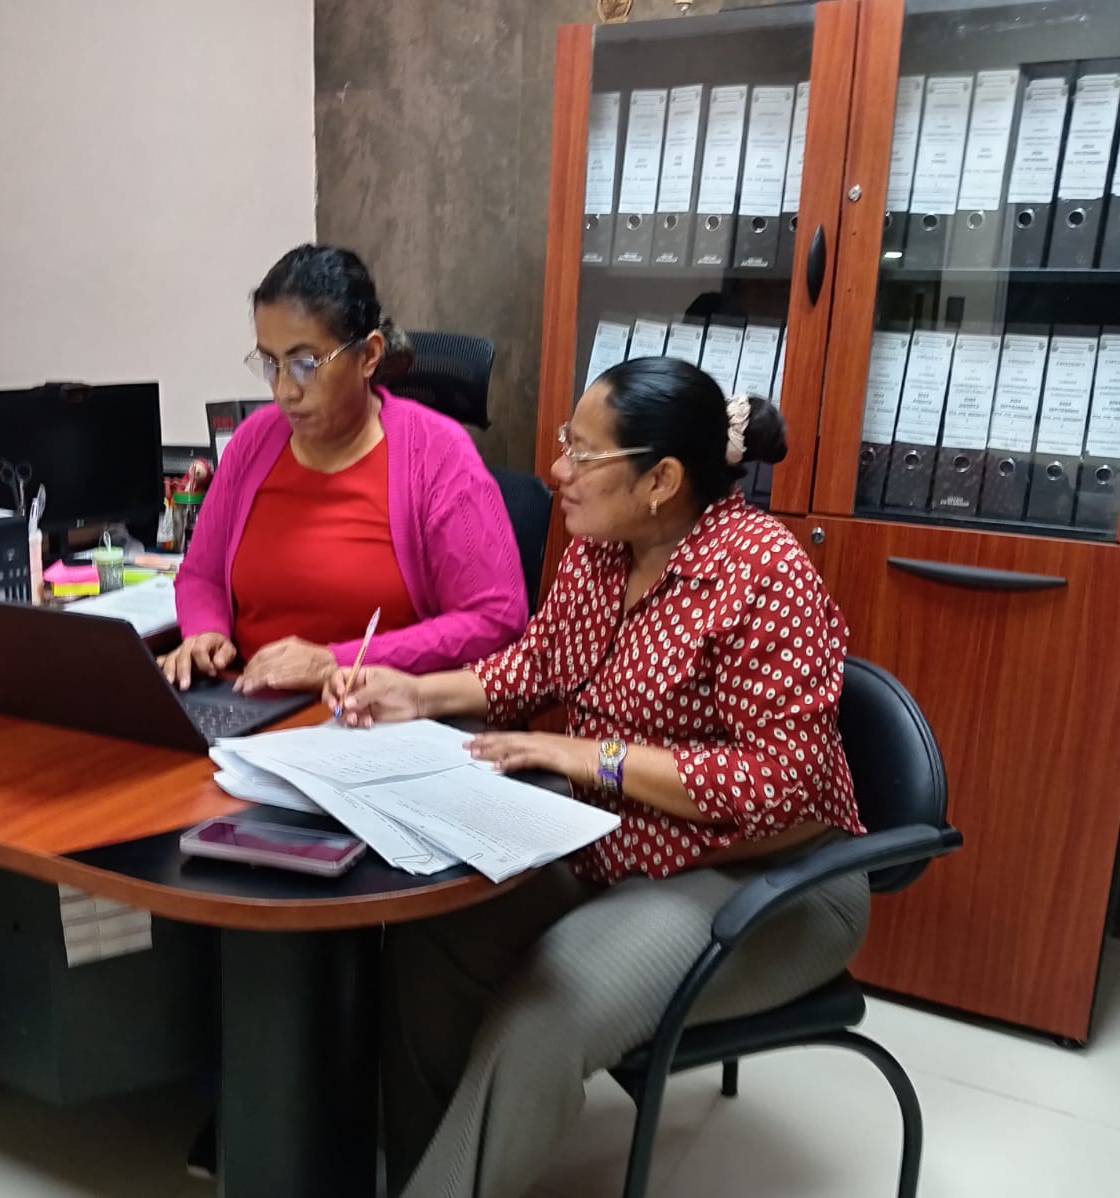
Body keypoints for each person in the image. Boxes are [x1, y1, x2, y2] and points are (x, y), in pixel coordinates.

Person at [328, 356, 870, 1198]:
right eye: (564, 443)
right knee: (436, 935)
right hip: (619, 846)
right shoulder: (602, 551)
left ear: (661, 480)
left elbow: (780, 785)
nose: (557, 470)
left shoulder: (763, 572)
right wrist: (414, 692)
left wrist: (591, 756)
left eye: (583, 454)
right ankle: (422, 1178)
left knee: (546, 1013)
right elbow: (538, 664)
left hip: (772, 877)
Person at [161, 244, 527, 696]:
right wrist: (205, 631)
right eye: (270, 364)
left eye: (304, 365)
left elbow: (496, 617)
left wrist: (338, 661)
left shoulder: (438, 455)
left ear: (369, 355)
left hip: (373, 713)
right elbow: (202, 574)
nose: (284, 391)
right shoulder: (254, 441)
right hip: (248, 708)